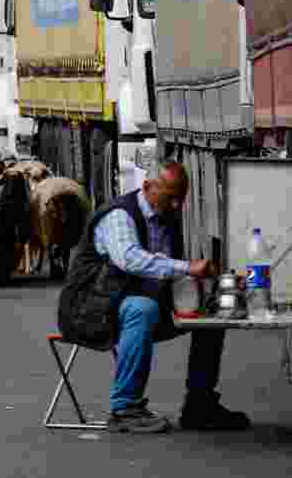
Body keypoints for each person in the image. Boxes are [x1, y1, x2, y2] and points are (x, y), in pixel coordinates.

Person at [60, 161, 250, 433]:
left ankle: (199, 403)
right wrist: (188, 267)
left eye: (180, 198)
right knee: (142, 307)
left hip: (136, 305)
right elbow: (130, 260)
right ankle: (125, 408)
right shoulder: (119, 216)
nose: (176, 205)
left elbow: (165, 271)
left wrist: (213, 284)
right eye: (170, 196)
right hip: (93, 309)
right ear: (147, 187)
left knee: (213, 314)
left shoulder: (168, 217)